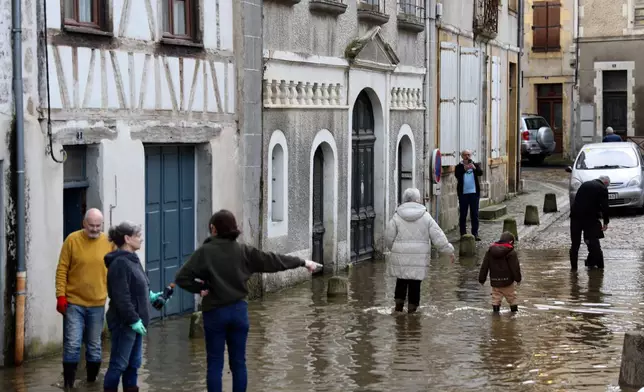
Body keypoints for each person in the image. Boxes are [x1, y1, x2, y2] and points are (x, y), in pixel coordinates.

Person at [174, 209, 321, 392]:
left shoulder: (204, 253)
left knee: (214, 363)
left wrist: (200, 289)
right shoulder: (244, 251)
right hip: (238, 312)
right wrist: (303, 262)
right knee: (239, 362)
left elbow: (181, 278)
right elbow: (273, 261)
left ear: (213, 229)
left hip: (214, 313)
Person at [103, 221, 167, 392]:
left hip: (137, 323)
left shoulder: (133, 259)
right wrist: (133, 320)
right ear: (127, 239)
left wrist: (151, 295)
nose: (141, 239)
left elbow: (138, 285)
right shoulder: (119, 264)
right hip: (124, 323)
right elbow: (121, 297)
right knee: (118, 364)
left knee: (133, 365)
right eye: (138, 236)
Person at [55, 208, 114, 389]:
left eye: (98, 226)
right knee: (72, 343)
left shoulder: (109, 243)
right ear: (84, 224)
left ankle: (91, 383)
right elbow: (62, 269)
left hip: (97, 303)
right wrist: (60, 296)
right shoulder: (72, 240)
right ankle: (68, 384)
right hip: (74, 303)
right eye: (91, 225)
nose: (95, 229)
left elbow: (115, 271)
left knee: (95, 345)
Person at [385, 188, 455, 313]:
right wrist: (449, 250)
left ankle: (398, 309)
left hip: (401, 256)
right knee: (415, 284)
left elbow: (388, 238)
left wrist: (394, 250)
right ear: (418, 200)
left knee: (401, 281)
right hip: (419, 258)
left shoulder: (397, 216)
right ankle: (412, 312)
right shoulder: (426, 216)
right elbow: (438, 237)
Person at [569, 176, 610, 271]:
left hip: (575, 217)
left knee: (575, 245)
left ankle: (574, 270)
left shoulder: (585, 184)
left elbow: (576, 201)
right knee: (594, 243)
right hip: (590, 218)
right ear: (606, 183)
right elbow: (605, 207)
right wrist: (606, 222)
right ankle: (600, 269)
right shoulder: (602, 188)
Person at [478, 232, 522, 313]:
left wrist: (482, 279)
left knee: (495, 299)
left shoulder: (490, 251)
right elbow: (515, 268)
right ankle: (514, 318)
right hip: (507, 282)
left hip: (495, 281)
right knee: (512, 299)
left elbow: (484, 266)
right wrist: (518, 279)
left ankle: (495, 319)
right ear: (511, 242)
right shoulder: (511, 252)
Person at [455, 149, 484, 241]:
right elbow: (457, 175)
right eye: (465, 155)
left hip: (474, 193)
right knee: (463, 214)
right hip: (463, 193)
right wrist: (465, 168)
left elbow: (480, 173)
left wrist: (474, 168)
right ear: (462, 156)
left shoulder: (475, 165)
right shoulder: (458, 166)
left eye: (469, 155)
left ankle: (475, 234)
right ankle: (463, 234)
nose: (467, 157)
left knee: (474, 214)